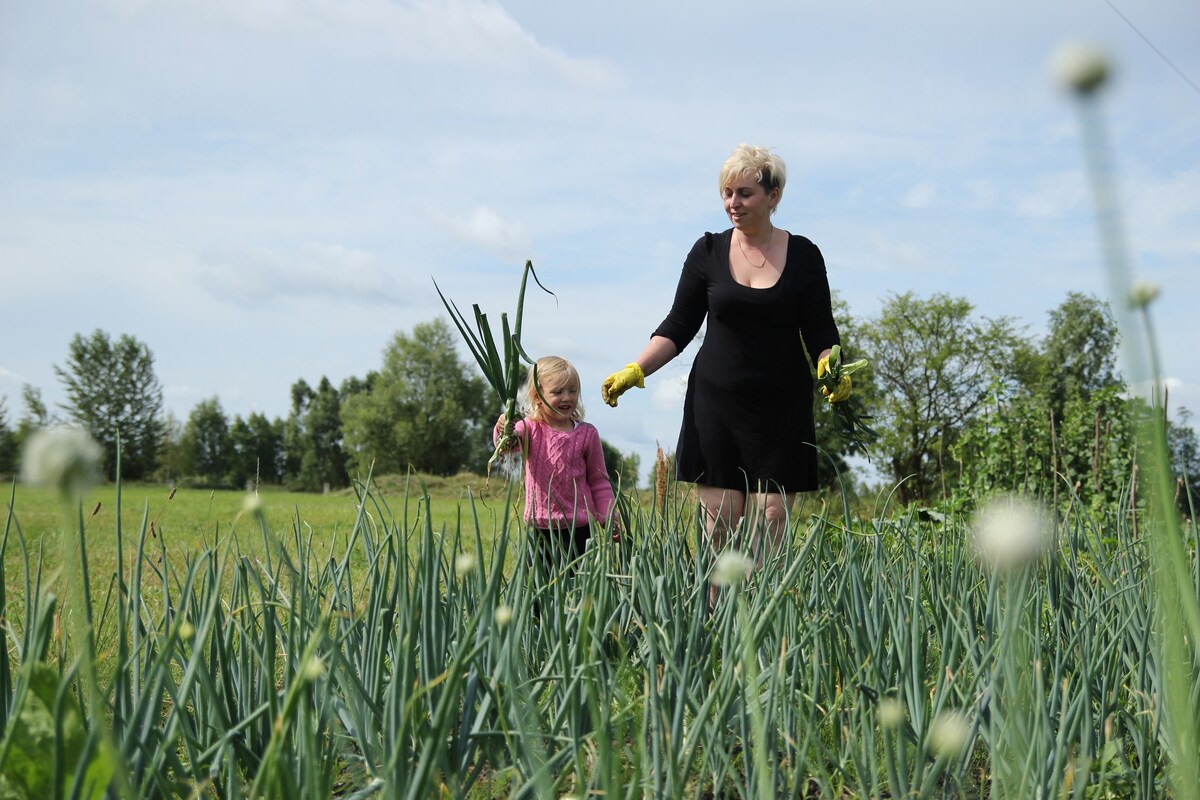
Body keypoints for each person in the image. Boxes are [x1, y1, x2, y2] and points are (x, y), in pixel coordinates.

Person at [601, 143, 851, 560]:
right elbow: (678, 327)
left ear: (773, 196)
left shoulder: (805, 255)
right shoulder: (708, 252)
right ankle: (717, 620)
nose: (733, 203)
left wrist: (831, 369)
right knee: (719, 519)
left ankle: (765, 618)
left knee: (771, 518)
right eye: (727, 193)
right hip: (716, 404)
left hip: (781, 407)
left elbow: (822, 331)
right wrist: (635, 369)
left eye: (745, 194)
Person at [495, 355, 616, 574]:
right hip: (542, 529)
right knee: (540, 591)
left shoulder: (587, 434)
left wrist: (608, 516)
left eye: (572, 390)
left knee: (578, 587)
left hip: (580, 529)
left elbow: (599, 481)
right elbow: (506, 445)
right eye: (558, 392)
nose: (567, 397)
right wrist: (504, 428)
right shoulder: (530, 428)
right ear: (537, 396)